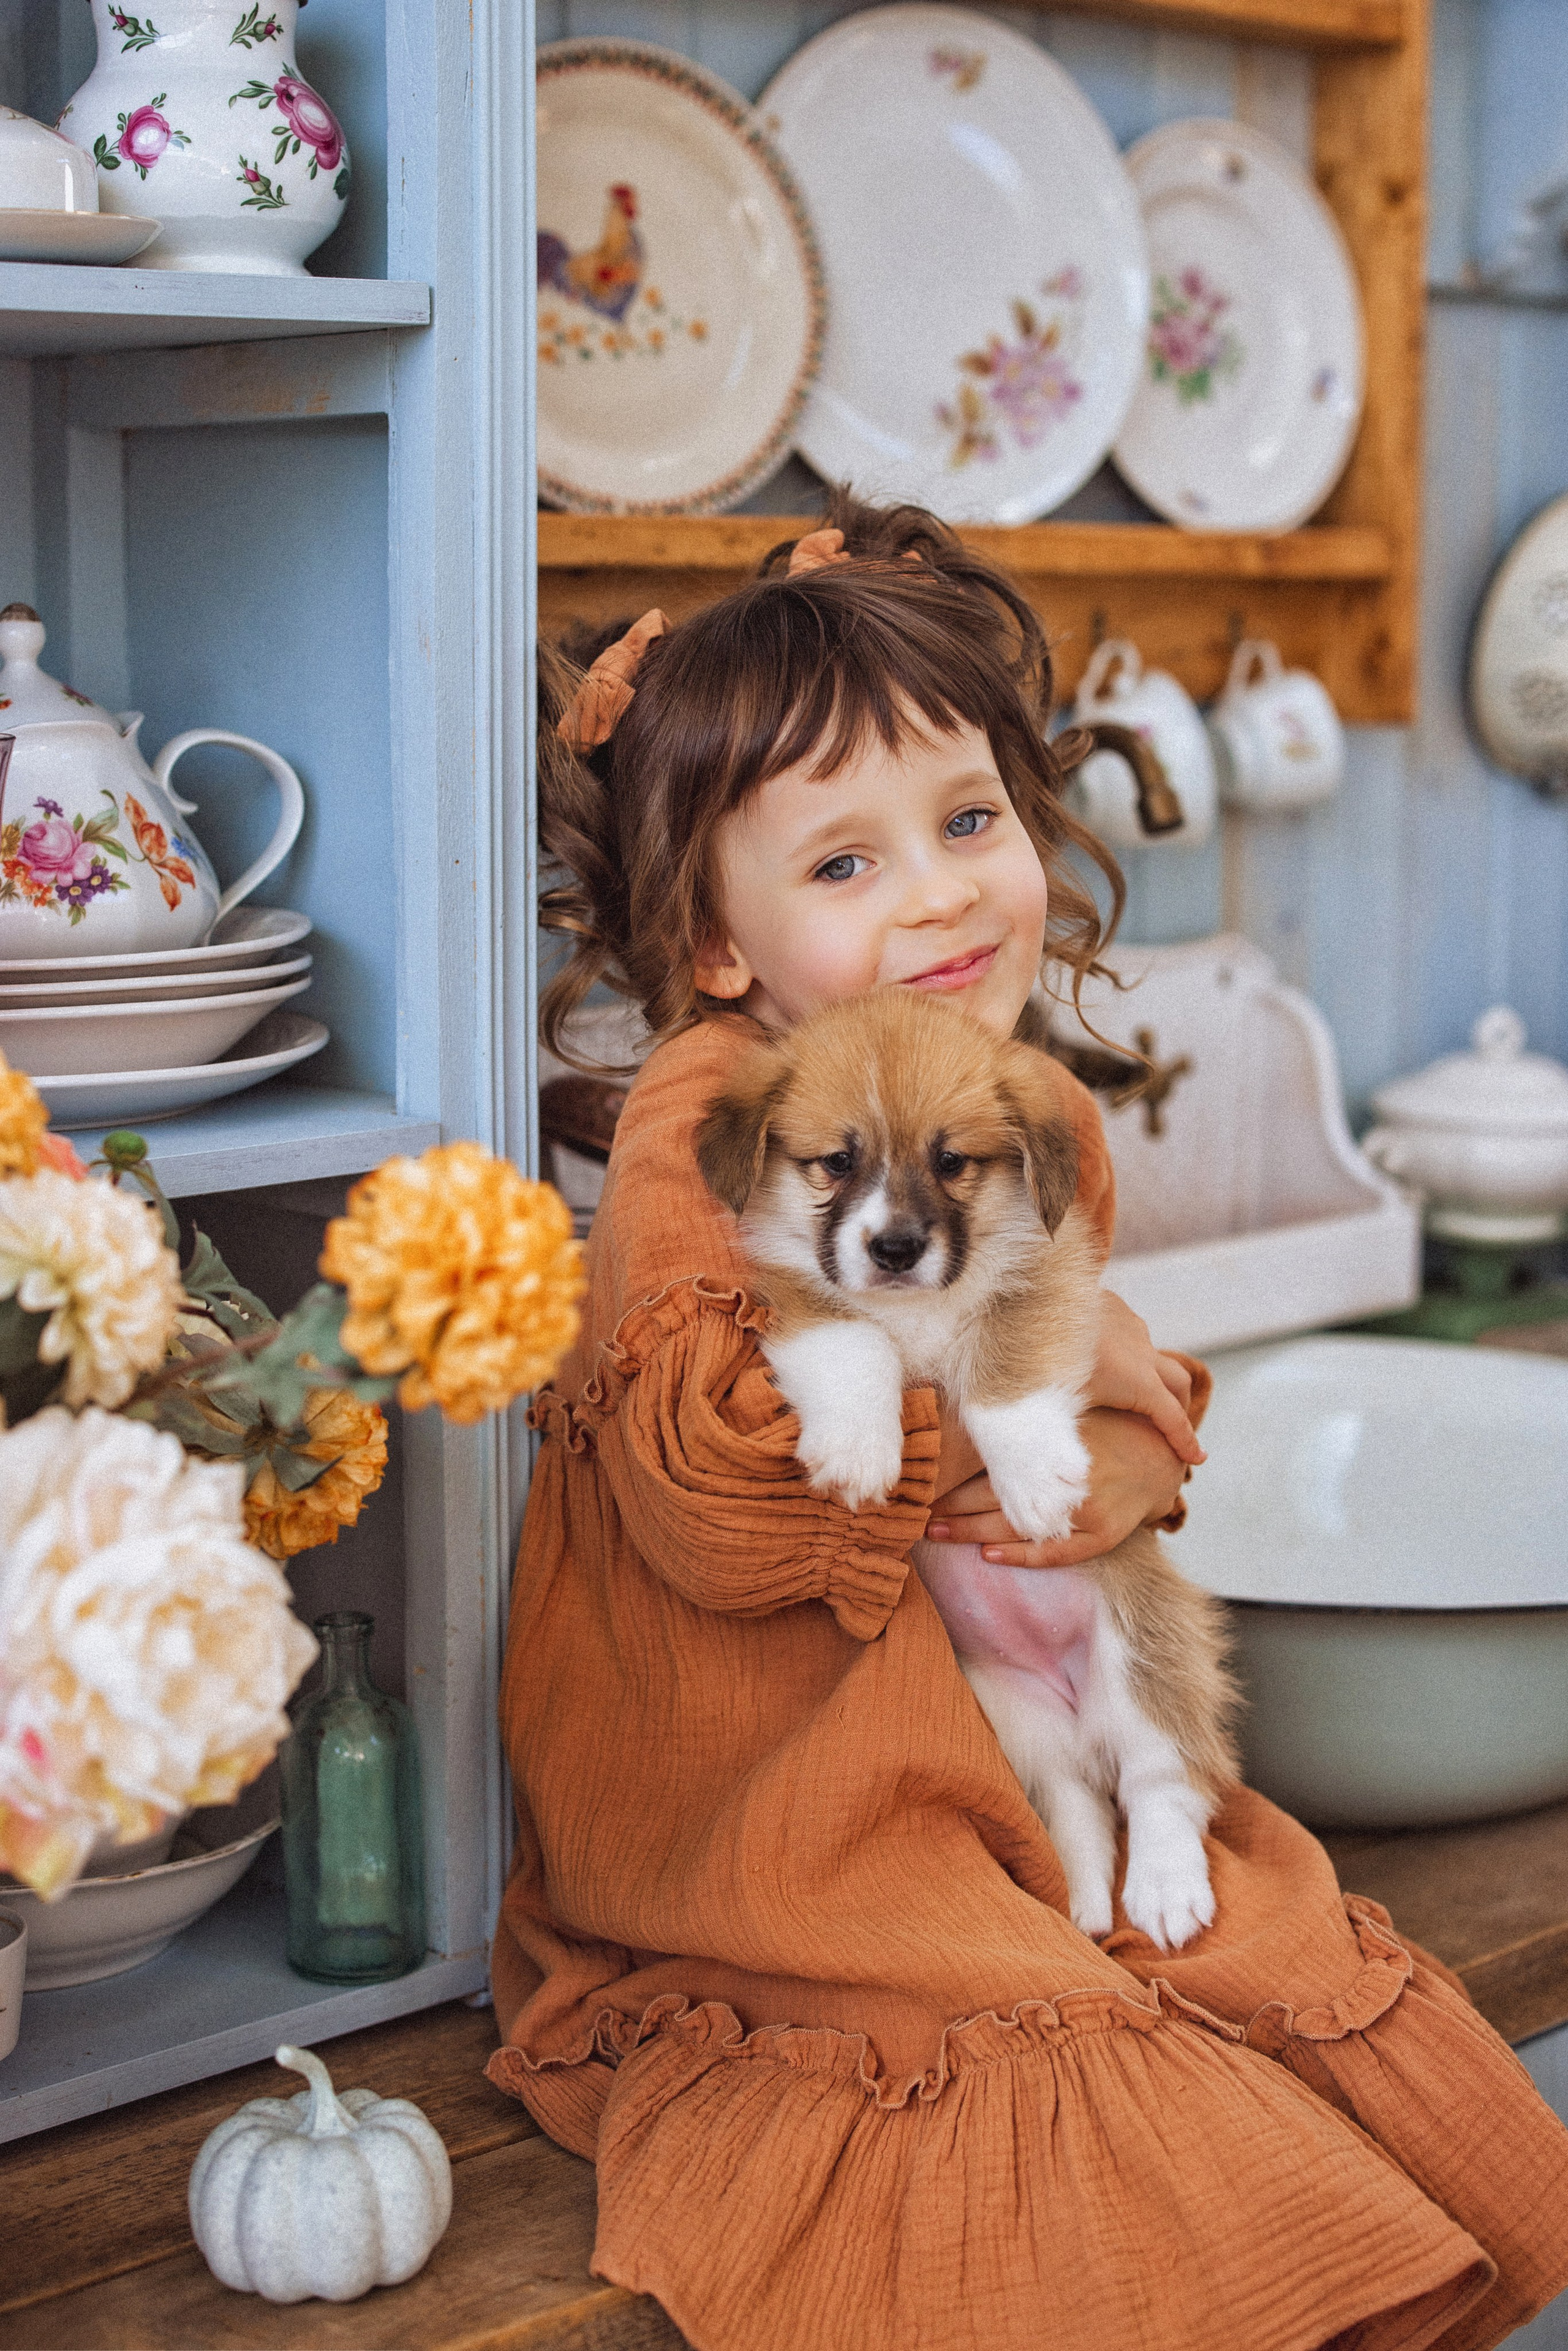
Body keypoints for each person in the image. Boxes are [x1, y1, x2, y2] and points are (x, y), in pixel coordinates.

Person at [488, 494, 1568, 2351]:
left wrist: (1142, 1443)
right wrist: (1049, 1408)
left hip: (986, 1745)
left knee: (1259, 1971)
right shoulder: (704, 1120)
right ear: (718, 940)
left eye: (970, 821)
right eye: (845, 860)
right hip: (778, 1809)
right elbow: (717, 1505)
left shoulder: (1031, 1108)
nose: (938, 892)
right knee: (1062, 2117)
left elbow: (1063, 1365)